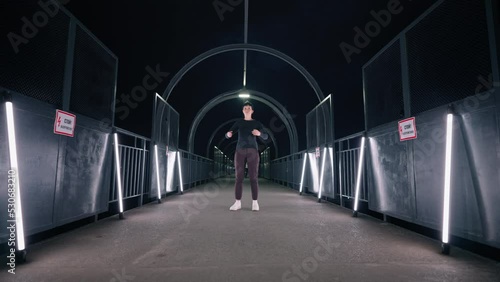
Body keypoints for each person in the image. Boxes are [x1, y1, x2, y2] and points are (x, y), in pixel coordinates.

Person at [226, 101, 268, 211]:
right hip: (239, 150)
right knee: (238, 177)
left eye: (249, 107)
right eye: (245, 108)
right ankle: (237, 202)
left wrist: (259, 134)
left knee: (253, 177)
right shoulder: (239, 122)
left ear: (252, 111)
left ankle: (255, 202)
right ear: (243, 110)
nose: (247, 109)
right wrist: (228, 134)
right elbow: (228, 133)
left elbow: (266, 136)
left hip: (253, 151)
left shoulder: (257, 123)